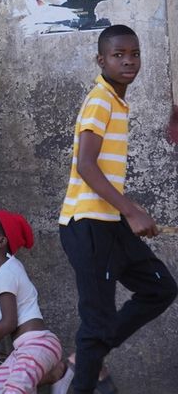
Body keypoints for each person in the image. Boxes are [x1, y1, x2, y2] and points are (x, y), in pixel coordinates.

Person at [58, 24, 178, 394]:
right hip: (88, 225)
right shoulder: (100, 99)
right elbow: (87, 166)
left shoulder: (117, 100)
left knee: (159, 288)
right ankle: (85, 369)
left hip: (108, 223)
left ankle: (88, 355)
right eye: (118, 55)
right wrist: (132, 210)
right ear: (101, 60)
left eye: (134, 54)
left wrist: (127, 212)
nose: (128, 61)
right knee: (95, 322)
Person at [0, 210, 67, 393]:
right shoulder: (4, 272)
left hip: (37, 344)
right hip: (24, 349)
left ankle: (57, 374)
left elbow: (9, 322)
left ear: (1, 242)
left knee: (15, 390)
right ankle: (53, 375)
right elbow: (0, 314)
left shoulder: (6, 273)